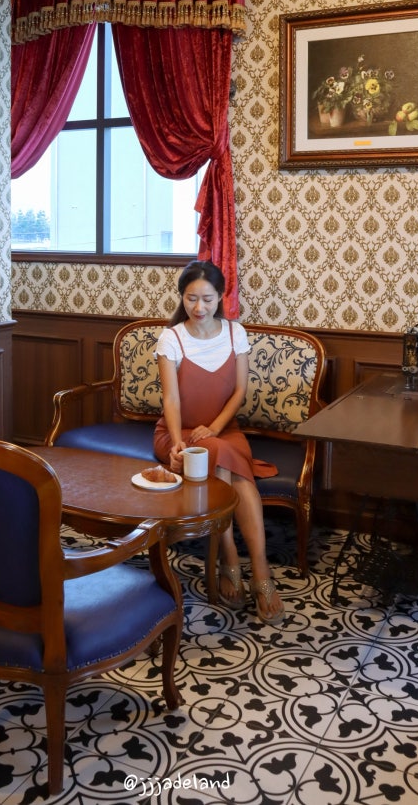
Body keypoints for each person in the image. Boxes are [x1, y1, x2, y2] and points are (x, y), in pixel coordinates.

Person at [154, 260, 284, 625]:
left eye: (207, 299)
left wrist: (213, 428)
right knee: (222, 458)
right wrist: (177, 443)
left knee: (222, 454)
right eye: (191, 298)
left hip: (224, 430)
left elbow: (239, 391)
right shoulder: (171, 338)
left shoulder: (234, 332)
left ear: (220, 296)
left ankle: (249, 565)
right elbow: (171, 400)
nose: (199, 307)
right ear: (182, 297)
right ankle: (244, 565)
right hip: (178, 433)